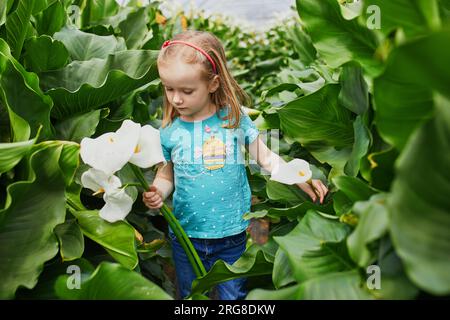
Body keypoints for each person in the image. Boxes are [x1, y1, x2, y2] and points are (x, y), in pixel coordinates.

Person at [142, 30, 328, 300]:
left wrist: (300, 176)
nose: (176, 99)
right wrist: (158, 192)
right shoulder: (170, 132)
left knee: (233, 297)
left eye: (187, 90)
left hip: (231, 235)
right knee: (191, 295)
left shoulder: (233, 120)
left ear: (213, 84)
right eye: (169, 89)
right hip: (186, 236)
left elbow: (266, 158)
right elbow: (167, 174)